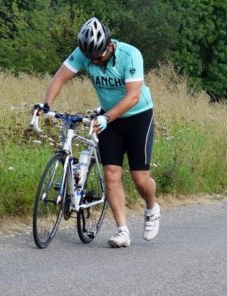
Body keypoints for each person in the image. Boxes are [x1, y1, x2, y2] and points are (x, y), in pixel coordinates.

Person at [37, 17, 160, 248]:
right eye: (91, 57)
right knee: (111, 173)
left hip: (138, 116)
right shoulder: (84, 52)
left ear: (109, 45)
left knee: (140, 178)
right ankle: (122, 231)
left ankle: (152, 207)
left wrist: (106, 117)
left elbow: (133, 96)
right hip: (108, 118)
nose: (95, 60)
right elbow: (60, 77)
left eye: (99, 56)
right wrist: (46, 105)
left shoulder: (130, 55)